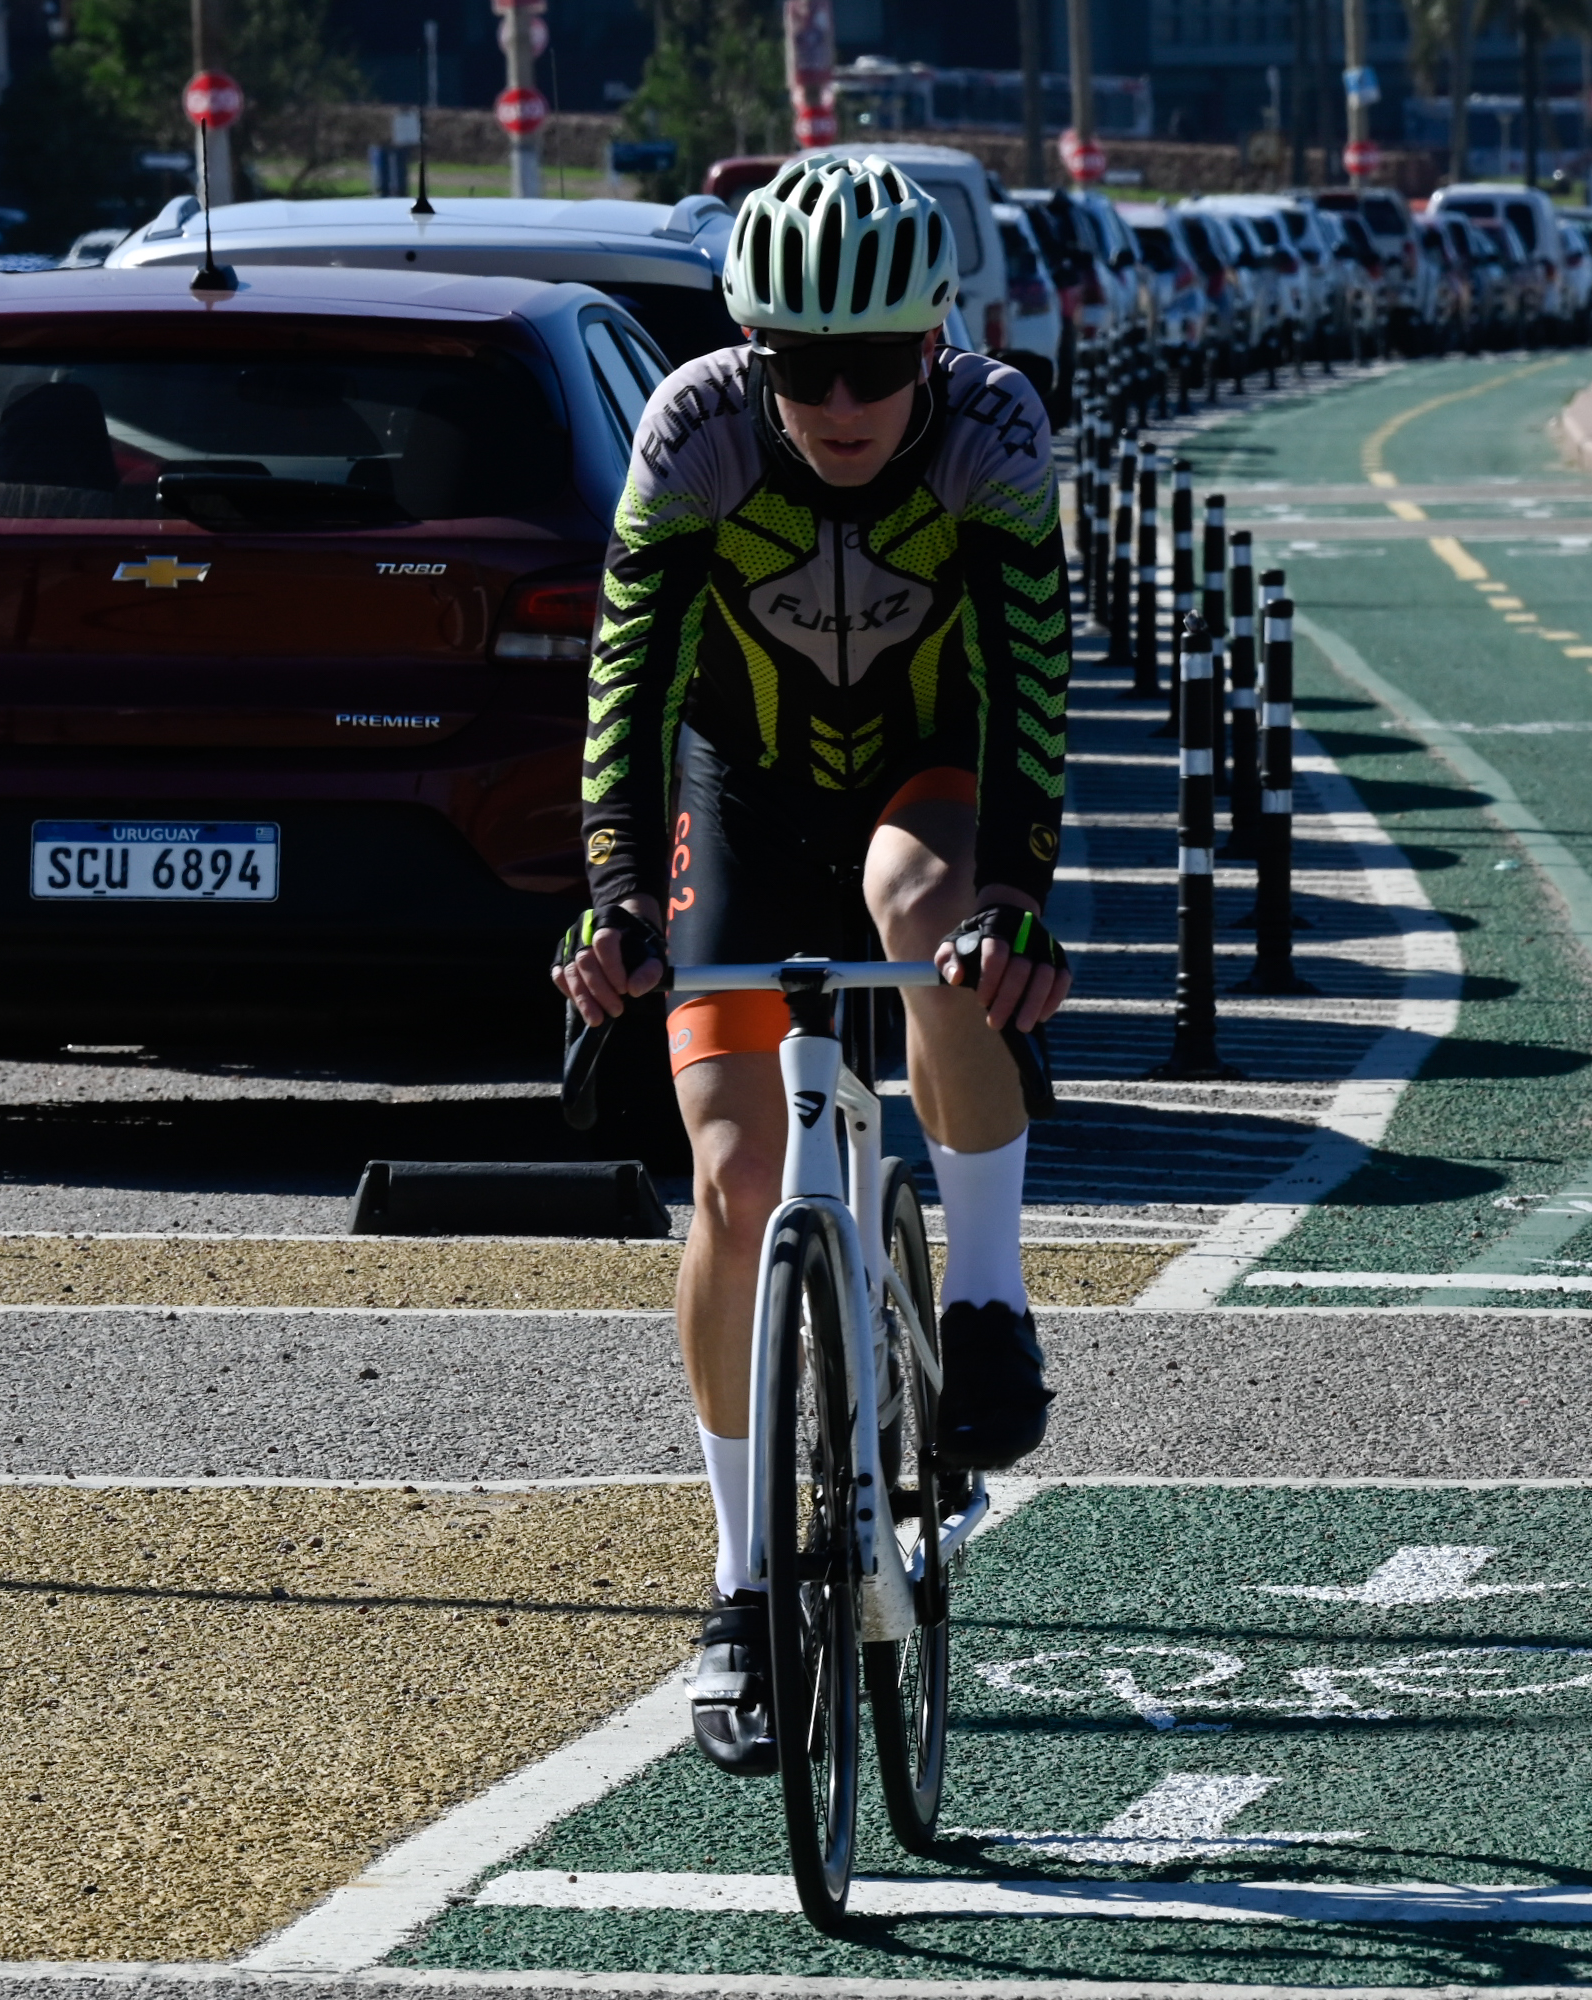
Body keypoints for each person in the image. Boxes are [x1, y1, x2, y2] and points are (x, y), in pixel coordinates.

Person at [551, 155, 1075, 1777]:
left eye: (876, 366)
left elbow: (1032, 684)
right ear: (755, 353)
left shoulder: (995, 434)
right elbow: (624, 682)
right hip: (739, 790)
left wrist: (1026, 897)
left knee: (930, 918)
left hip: (921, 778)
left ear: (935, 344)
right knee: (727, 1171)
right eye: (804, 367)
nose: (840, 402)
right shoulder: (695, 432)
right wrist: (618, 899)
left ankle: (982, 1300)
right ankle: (739, 1583)